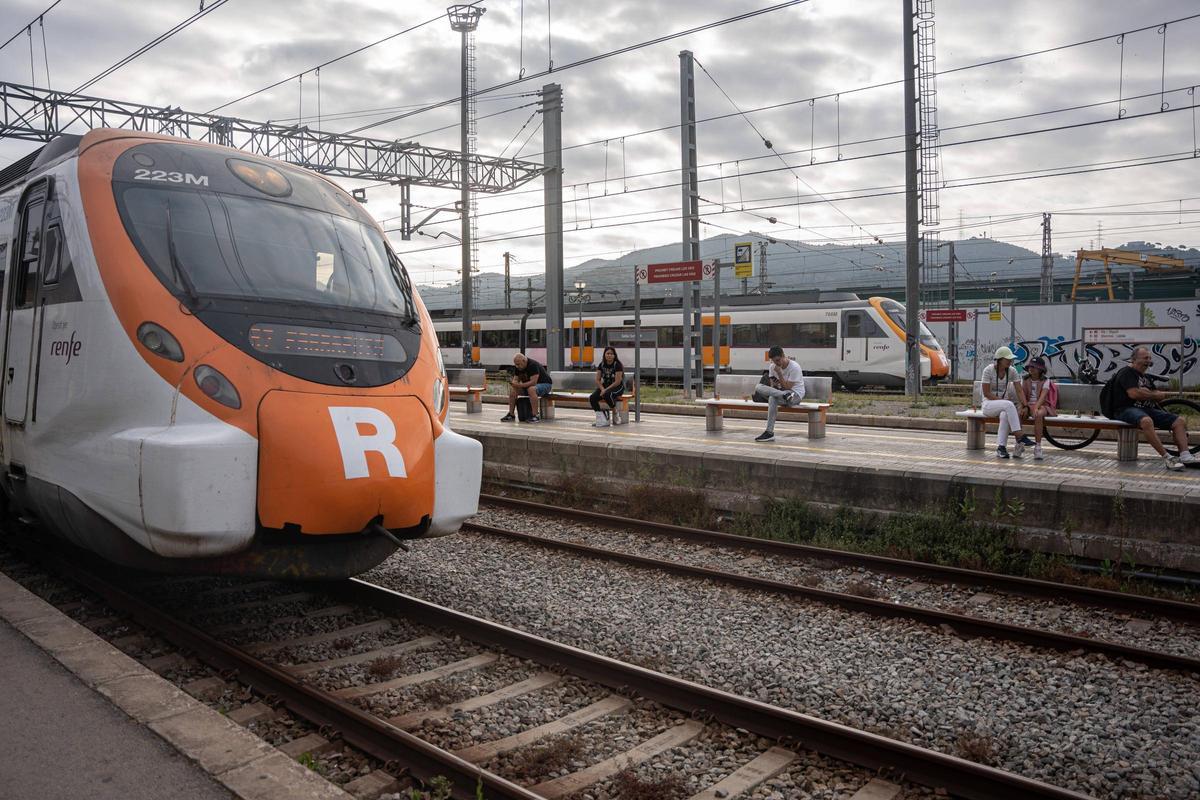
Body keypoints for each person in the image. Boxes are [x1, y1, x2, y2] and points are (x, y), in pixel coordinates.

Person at [1110, 346, 1195, 471]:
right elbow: (1134, 393)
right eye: (1145, 358)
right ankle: (1168, 458)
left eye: (1149, 358)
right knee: (1146, 421)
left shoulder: (1145, 377)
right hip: (1124, 409)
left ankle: (1185, 455)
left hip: (1145, 409)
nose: (1148, 361)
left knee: (1179, 421)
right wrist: (1149, 394)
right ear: (1133, 360)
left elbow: (1157, 396)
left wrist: (1149, 394)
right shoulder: (1126, 372)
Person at [980, 346, 1035, 459]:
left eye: (1011, 359)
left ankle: (1001, 448)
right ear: (999, 359)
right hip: (988, 404)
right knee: (1009, 404)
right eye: (1007, 359)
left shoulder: (1012, 371)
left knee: (1005, 414)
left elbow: (1019, 390)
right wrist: (1003, 401)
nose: (1010, 361)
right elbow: (986, 393)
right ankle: (1019, 436)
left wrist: (1025, 406)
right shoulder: (988, 370)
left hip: (1002, 405)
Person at [753, 346, 805, 443]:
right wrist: (776, 387)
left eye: (778, 360)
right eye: (773, 361)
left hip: (795, 395)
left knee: (773, 398)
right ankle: (769, 433)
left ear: (783, 356)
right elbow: (773, 387)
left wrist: (780, 374)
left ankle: (769, 432)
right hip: (783, 395)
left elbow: (787, 387)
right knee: (758, 387)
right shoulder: (772, 367)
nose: (776, 363)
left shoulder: (794, 367)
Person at [1019, 357, 1057, 460]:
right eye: (1030, 366)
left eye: (1035, 367)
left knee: (1039, 415)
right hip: (1027, 405)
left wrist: (1035, 407)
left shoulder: (1045, 380)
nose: (1031, 369)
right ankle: (1019, 444)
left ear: (1041, 369)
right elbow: (1022, 395)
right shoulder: (1025, 379)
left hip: (1042, 405)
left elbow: (1043, 397)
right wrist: (1025, 407)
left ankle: (1038, 447)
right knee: (1018, 414)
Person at [500, 353, 552, 423]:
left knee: (531, 389)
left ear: (524, 361)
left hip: (545, 385)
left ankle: (535, 415)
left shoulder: (533, 365)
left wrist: (519, 385)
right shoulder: (518, 367)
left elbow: (533, 382)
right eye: (515, 364)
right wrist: (514, 384)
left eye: (518, 364)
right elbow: (516, 379)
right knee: (513, 391)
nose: (517, 366)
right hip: (530, 386)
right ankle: (511, 414)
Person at [590, 346, 625, 428]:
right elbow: (597, 380)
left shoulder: (617, 365)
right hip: (605, 387)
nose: (609, 355)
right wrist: (602, 389)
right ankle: (602, 418)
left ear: (614, 355)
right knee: (593, 397)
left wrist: (605, 390)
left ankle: (615, 413)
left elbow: (617, 381)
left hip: (617, 387)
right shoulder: (601, 365)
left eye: (611, 354)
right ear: (604, 355)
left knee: (607, 395)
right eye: (608, 353)